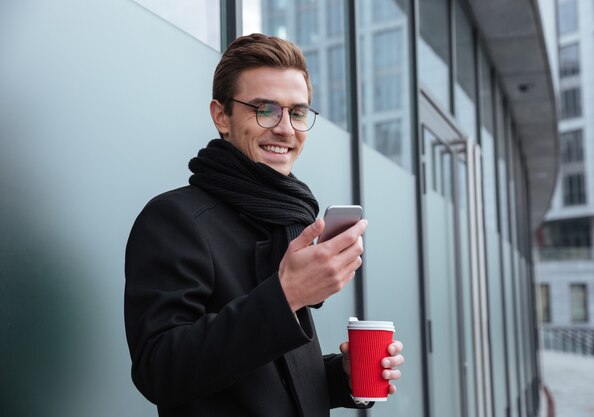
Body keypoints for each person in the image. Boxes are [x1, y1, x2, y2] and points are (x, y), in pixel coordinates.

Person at [124, 33, 404, 417]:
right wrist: (286, 295)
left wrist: (344, 377)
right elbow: (160, 370)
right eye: (265, 110)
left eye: (298, 112)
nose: (286, 129)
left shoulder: (288, 218)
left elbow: (273, 377)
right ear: (221, 116)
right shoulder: (173, 219)